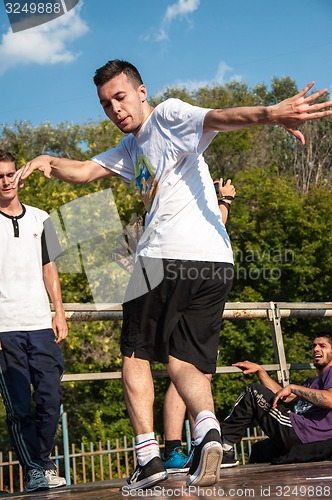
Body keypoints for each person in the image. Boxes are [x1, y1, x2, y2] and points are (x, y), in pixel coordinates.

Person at [15, 60, 332, 491]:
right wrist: (48, 160)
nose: (115, 111)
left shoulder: (167, 115)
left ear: (142, 92)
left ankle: (148, 458)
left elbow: (218, 118)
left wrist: (272, 113)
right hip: (214, 263)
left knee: (135, 356)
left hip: (164, 257)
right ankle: (207, 429)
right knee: (183, 360)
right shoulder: (131, 150)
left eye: (121, 98)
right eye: (106, 105)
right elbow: (86, 170)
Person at [0, 150, 68, 492]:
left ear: (19, 176)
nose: (5, 180)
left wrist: (59, 311)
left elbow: (50, 269)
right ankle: (34, 470)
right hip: (5, 328)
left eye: (10, 174)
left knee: (50, 398)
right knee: (19, 407)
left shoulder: (42, 218)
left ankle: (43, 461)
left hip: (41, 323)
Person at [162, 178, 237, 473]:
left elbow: (215, 227)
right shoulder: (178, 197)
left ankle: (200, 442)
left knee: (199, 369)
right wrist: (225, 200)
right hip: (181, 276)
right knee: (183, 366)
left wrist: (221, 200)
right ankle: (172, 448)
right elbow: (215, 223)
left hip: (204, 280)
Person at [220, 334, 332, 463]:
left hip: (309, 433)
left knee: (253, 391)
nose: (316, 349)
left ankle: (224, 447)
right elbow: (283, 396)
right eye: (314, 346)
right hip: (302, 435)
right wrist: (260, 371)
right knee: (260, 450)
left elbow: (329, 400)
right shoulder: (311, 382)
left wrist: (294, 387)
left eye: (322, 346)